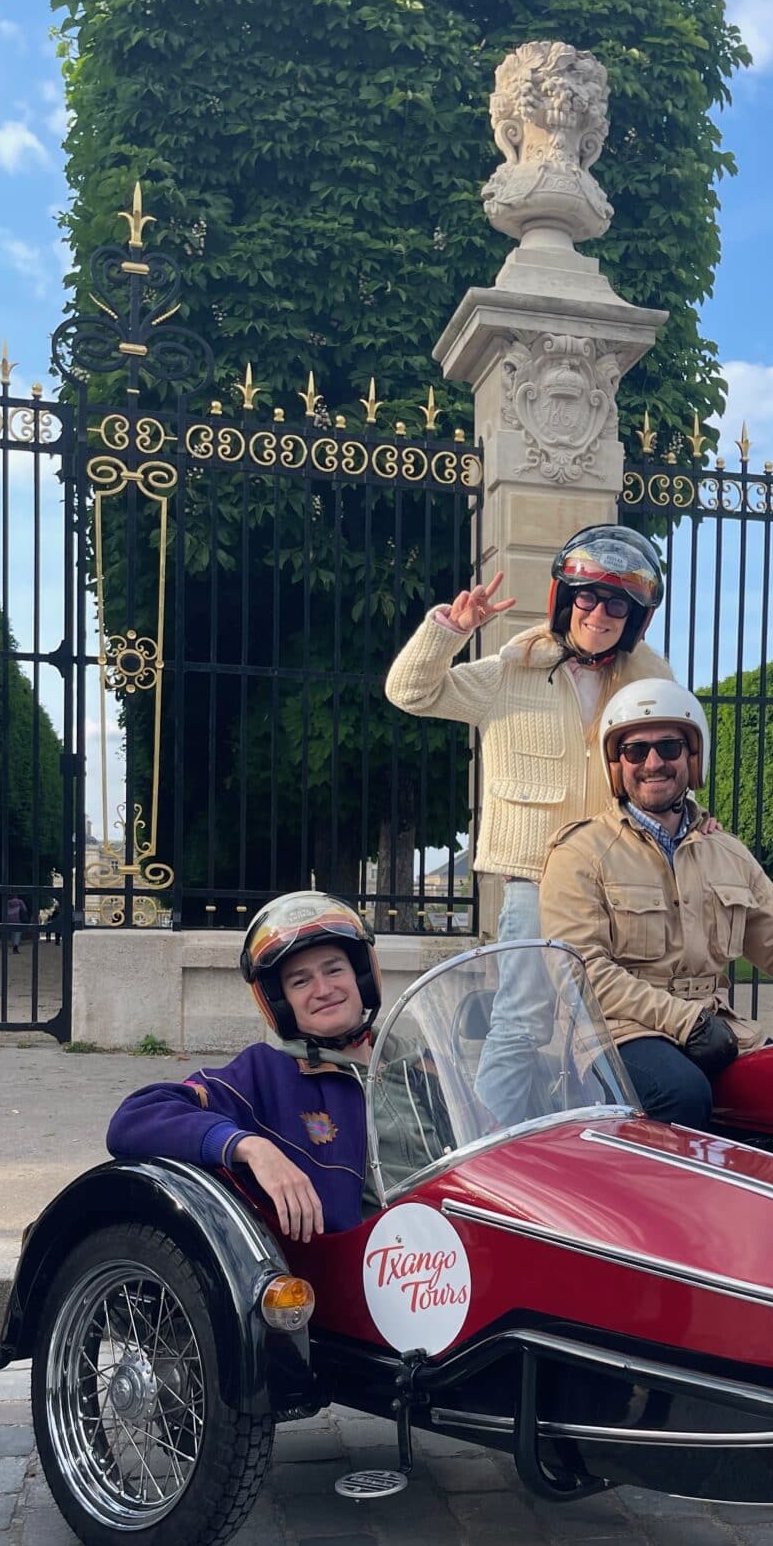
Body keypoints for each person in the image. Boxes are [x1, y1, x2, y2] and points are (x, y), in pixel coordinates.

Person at [385, 525, 680, 1124]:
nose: (599, 614)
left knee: (608, 1022)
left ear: (636, 619)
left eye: (616, 604)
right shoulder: (509, 672)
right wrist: (451, 630)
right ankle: (489, 1150)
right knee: (521, 1019)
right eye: (588, 599)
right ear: (566, 601)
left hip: (621, 878)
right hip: (535, 880)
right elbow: (409, 691)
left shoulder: (647, 684)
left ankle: (611, 1139)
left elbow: (667, 762)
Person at [540, 681, 773, 1129]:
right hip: (616, 1034)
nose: (654, 763)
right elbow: (580, 972)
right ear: (615, 764)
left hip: (715, 1029)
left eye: (669, 746)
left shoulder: (727, 852)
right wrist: (686, 1021)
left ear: (692, 757)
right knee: (680, 1093)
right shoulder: (581, 852)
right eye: (636, 751)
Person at [106, 892, 378, 1241]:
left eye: (334, 969)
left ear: (362, 977)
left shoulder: (420, 1067)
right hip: (366, 1269)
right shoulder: (267, 1074)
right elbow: (135, 1119)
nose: (323, 989)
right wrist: (250, 1147)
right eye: (301, 981)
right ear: (281, 1004)